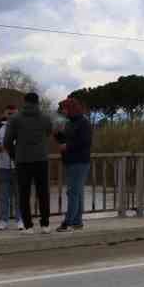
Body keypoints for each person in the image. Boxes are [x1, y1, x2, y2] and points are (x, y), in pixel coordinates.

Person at [3, 91, 52, 233]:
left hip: (23, 160)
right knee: (43, 192)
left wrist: (14, 154)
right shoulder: (45, 118)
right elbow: (48, 133)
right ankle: (45, 225)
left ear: (24, 102)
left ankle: (28, 225)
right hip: (41, 159)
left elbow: (7, 141)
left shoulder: (15, 119)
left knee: (24, 193)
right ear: (38, 102)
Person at [55, 97, 93, 232]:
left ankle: (68, 222)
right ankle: (77, 222)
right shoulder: (69, 122)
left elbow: (85, 142)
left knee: (72, 192)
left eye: (64, 108)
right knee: (77, 192)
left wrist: (67, 146)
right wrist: (58, 135)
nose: (62, 111)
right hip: (71, 161)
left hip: (80, 161)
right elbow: (64, 139)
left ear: (70, 108)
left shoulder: (83, 123)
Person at [0, 103, 19, 230]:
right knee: (3, 195)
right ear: (4, 113)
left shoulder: (22, 126)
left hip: (19, 165)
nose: (11, 116)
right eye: (9, 113)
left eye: (13, 113)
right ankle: (3, 220)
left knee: (20, 194)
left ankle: (20, 220)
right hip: (2, 165)